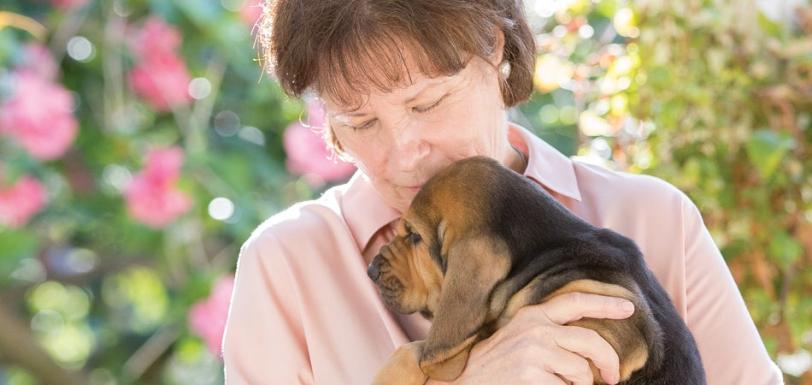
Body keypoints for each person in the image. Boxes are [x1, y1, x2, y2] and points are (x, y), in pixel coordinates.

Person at [222, 1, 784, 384]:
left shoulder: (653, 220)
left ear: (494, 48)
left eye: (427, 104)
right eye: (360, 121)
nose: (403, 152)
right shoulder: (288, 264)